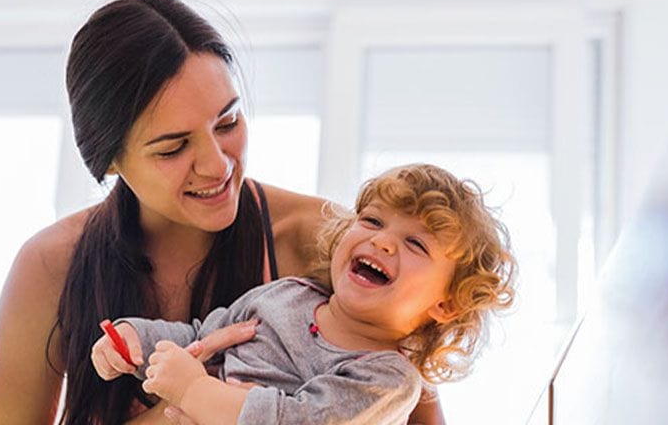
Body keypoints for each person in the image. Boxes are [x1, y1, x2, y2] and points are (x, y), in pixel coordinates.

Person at [0, 0, 448, 425]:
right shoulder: (49, 266)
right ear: (110, 162)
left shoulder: (325, 242)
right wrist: (192, 401)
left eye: (227, 122)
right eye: (173, 147)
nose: (217, 165)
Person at [91, 164, 517, 424]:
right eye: (371, 220)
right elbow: (201, 337)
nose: (383, 243)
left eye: (416, 244)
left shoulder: (388, 379)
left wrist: (194, 394)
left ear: (446, 304)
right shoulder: (287, 294)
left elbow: (300, 421)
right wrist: (135, 341)